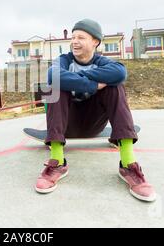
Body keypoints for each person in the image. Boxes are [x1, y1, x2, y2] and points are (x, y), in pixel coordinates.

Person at [35, 19, 156, 202]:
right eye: (73, 37)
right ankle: (57, 162)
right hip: (67, 123)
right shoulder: (64, 60)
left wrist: (76, 77)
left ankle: (128, 164)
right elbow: (53, 75)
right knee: (55, 87)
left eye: (81, 37)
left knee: (115, 87)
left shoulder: (102, 61)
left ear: (95, 42)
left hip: (94, 122)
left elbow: (120, 73)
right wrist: (91, 85)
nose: (74, 41)